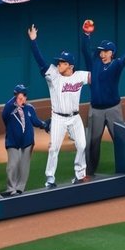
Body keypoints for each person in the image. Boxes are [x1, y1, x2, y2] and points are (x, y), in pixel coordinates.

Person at [80, 10, 125, 177]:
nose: (102, 54)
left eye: (106, 51)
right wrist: (86, 34)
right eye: (101, 51)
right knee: (92, 142)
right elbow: (85, 49)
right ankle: (89, 172)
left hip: (114, 109)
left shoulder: (117, 64)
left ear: (112, 52)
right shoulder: (93, 62)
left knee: (120, 141)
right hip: (96, 110)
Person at [27, 27, 90, 187]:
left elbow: (99, 76)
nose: (58, 64)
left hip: (75, 118)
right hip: (58, 118)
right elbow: (40, 61)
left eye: (62, 62)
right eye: (59, 62)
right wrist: (33, 41)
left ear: (70, 65)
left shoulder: (80, 76)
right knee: (54, 148)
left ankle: (80, 174)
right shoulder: (54, 76)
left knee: (82, 145)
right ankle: (50, 179)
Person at [0, 85, 49, 196]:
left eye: (24, 96)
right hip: (12, 141)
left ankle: (20, 189)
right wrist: (15, 100)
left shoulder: (29, 108)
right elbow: (4, 116)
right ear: (15, 95)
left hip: (27, 141)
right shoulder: (8, 108)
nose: (23, 98)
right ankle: (11, 188)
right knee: (13, 165)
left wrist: (45, 124)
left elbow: (35, 121)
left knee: (24, 165)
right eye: (20, 96)